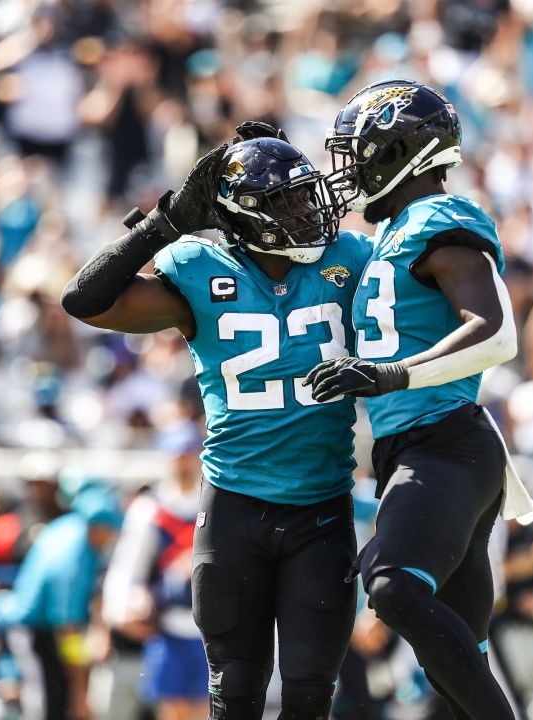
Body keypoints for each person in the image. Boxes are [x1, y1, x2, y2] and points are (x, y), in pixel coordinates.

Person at [60, 122, 372, 719]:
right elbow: (85, 300)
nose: (306, 210)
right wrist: (165, 221)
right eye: (284, 201)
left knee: (310, 695)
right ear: (245, 218)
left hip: (322, 506)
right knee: (235, 695)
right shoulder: (199, 267)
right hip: (234, 506)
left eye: (304, 193)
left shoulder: (349, 257)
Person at [305, 79, 533, 719]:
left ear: (401, 149)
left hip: (446, 444)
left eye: (359, 151)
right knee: (460, 672)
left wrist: (390, 375)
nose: (349, 168)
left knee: (392, 586)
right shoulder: (392, 234)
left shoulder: (438, 219)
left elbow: (495, 333)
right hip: (420, 450)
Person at [0, 480, 123, 720]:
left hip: (42, 630)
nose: (112, 538)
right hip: (31, 630)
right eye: (110, 530)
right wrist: (81, 693)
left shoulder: (71, 528)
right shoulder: (74, 557)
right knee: (45, 706)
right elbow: (67, 628)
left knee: (53, 700)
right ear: (99, 526)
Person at [102, 423, 209, 720]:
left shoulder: (215, 503)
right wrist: (125, 605)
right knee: (171, 709)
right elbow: (128, 566)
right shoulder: (151, 508)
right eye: (177, 456)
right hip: (167, 623)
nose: (183, 462)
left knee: (208, 708)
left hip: (212, 627)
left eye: (188, 455)